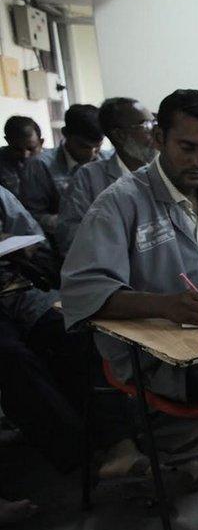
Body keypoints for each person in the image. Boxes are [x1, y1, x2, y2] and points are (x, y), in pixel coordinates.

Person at [60, 89, 198, 441]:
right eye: (187, 148)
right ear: (159, 139)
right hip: (159, 355)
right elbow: (85, 291)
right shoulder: (120, 203)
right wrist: (165, 305)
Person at [1, 186, 143, 479]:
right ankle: (79, 455)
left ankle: (119, 442)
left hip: (16, 289)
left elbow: (35, 243)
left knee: (77, 328)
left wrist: (13, 245)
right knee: (12, 359)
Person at [56, 97, 157, 253]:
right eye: (146, 125)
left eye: (154, 123)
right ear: (119, 135)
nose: (155, 133)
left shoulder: (162, 172)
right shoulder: (89, 177)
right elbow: (70, 237)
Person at [21, 104, 104, 236]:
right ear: (65, 134)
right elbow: (31, 216)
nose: (92, 153)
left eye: (98, 146)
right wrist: (67, 223)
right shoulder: (39, 166)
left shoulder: (106, 162)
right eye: (83, 146)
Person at [0, 115, 45, 197]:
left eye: (31, 149)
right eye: (17, 149)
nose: (25, 155)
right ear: (7, 141)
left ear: (41, 142)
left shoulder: (54, 164)